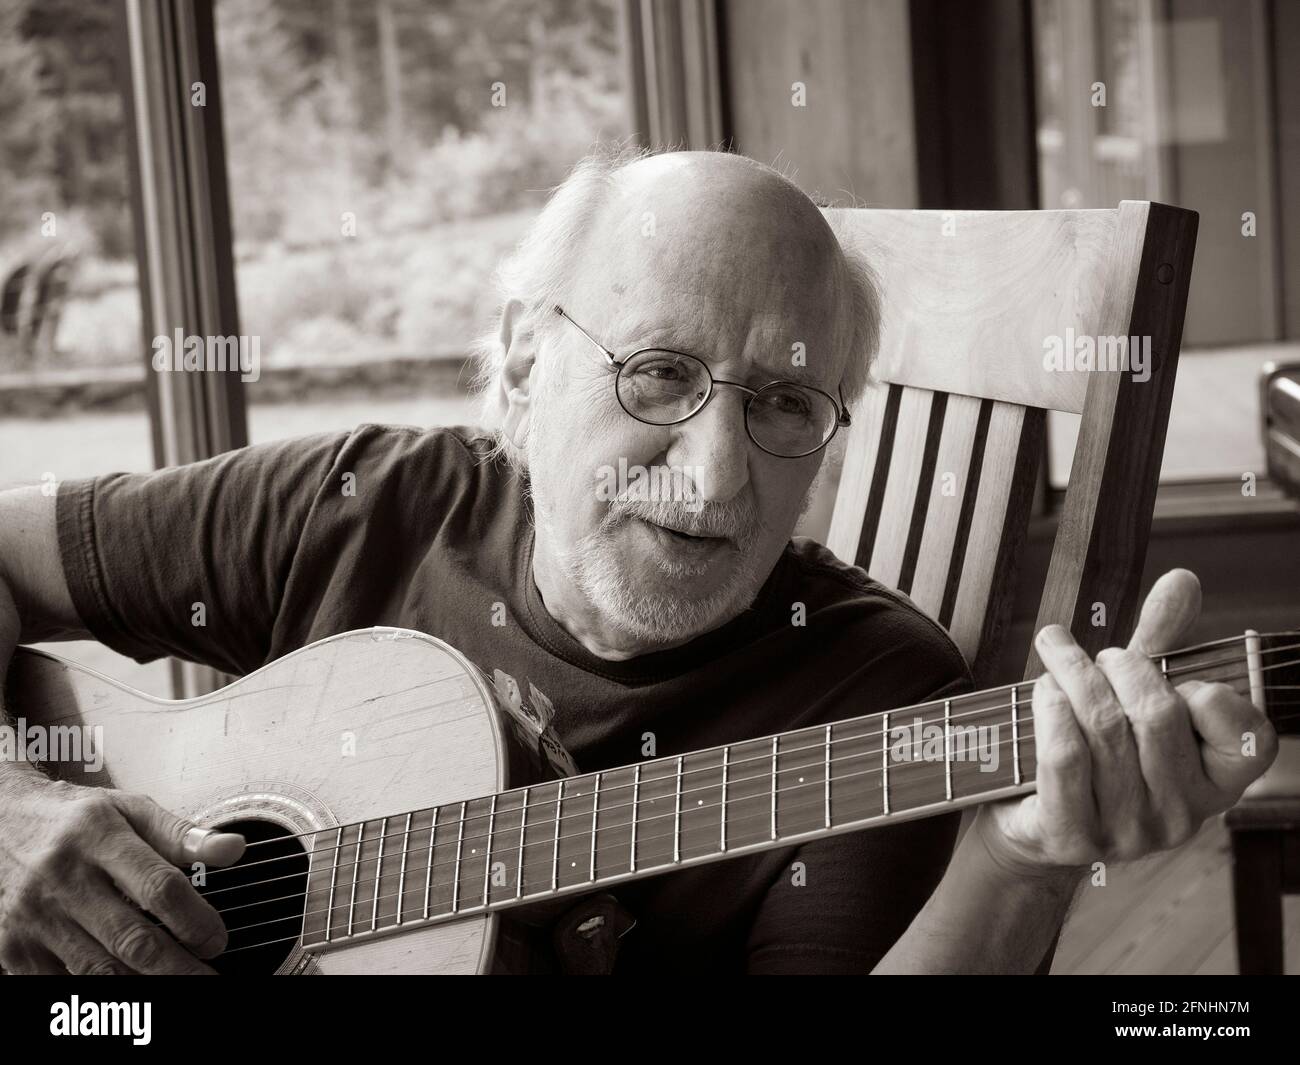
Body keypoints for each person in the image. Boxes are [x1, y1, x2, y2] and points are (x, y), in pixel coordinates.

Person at [0, 148, 1276, 974]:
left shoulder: (880, 705)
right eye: (658, 372)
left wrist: (1017, 867)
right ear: (520, 361)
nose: (720, 478)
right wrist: (16, 811)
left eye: (784, 402)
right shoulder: (359, 503)